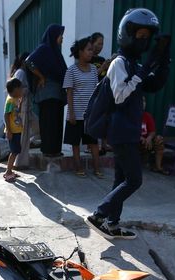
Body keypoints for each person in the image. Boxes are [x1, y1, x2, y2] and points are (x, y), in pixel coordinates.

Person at [86, 8, 170, 240]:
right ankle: (99, 214)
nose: (143, 40)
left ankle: (112, 224)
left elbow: (151, 85)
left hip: (129, 131)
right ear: (128, 34)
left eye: (147, 36)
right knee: (134, 180)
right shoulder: (119, 63)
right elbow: (120, 95)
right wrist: (143, 71)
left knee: (120, 179)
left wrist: (162, 62)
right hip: (120, 132)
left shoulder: (134, 64)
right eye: (140, 35)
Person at [26, 24, 67, 157]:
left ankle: (55, 150)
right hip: (47, 93)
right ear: (54, 35)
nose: (62, 38)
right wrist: (41, 76)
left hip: (57, 93)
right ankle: (48, 150)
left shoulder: (55, 52)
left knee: (56, 122)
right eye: (61, 35)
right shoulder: (44, 49)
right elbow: (29, 61)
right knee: (49, 122)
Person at [63, 36, 101, 178]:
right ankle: (78, 167)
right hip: (76, 114)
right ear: (80, 52)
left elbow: (96, 91)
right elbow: (69, 92)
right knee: (75, 143)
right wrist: (71, 113)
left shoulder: (93, 70)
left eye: (92, 50)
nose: (92, 52)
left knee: (93, 142)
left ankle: (97, 168)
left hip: (90, 114)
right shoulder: (71, 71)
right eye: (89, 50)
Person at [10, 52, 36, 168]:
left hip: (25, 108)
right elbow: (17, 92)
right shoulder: (20, 73)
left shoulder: (21, 73)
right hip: (22, 108)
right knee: (23, 138)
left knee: (34, 131)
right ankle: (20, 163)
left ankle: (20, 162)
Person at [4, 78, 24, 183]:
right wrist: (8, 130)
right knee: (14, 151)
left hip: (17, 130)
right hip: (13, 130)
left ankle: (10, 171)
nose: (22, 91)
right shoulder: (10, 100)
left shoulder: (15, 99)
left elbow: (16, 112)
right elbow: (6, 115)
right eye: (20, 89)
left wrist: (20, 103)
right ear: (15, 89)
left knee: (15, 151)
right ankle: (8, 172)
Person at [140, 97, 166, 174]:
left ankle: (158, 167)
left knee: (159, 139)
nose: (143, 103)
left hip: (146, 142)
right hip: (134, 142)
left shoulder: (147, 116)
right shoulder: (130, 115)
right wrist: (139, 137)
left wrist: (149, 138)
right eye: (141, 101)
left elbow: (152, 131)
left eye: (144, 101)